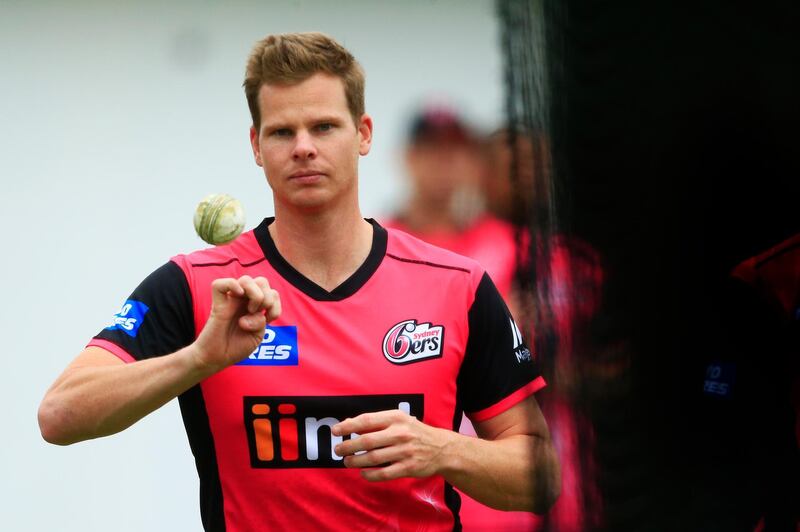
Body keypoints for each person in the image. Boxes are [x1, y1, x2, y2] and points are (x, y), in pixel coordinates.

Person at [37, 32, 560, 531]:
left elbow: (541, 475)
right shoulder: (199, 286)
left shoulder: (458, 286)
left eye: (325, 127)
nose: (303, 147)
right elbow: (60, 415)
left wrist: (443, 449)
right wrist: (199, 358)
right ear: (257, 145)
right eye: (283, 132)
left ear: (364, 134)